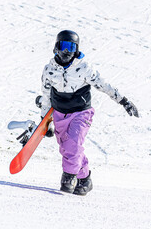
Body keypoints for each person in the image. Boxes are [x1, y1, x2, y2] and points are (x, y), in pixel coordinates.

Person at [36, 30, 139, 196]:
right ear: (57, 46)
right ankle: (84, 180)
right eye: (64, 46)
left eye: (71, 47)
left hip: (80, 113)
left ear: (76, 49)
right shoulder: (49, 70)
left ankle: (69, 177)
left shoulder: (84, 68)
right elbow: (46, 94)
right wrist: (44, 120)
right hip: (59, 114)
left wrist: (123, 101)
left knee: (73, 145)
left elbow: (103, 85)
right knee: (68, 149)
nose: (67, 51)